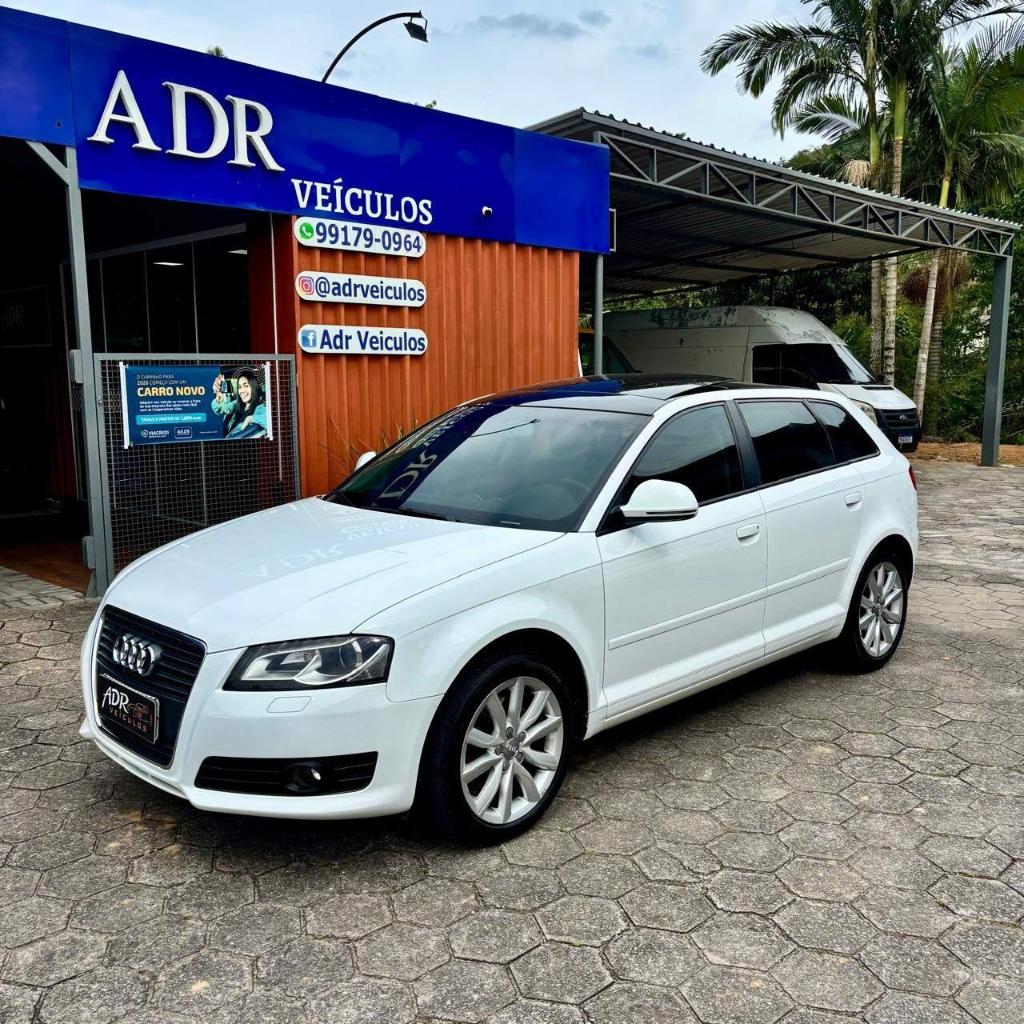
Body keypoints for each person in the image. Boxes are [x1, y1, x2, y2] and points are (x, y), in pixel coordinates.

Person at [211, 369, 267, 439]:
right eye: (239, 387)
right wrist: (219, 398)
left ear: (254, 387)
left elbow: (270, 419)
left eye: (246, 386)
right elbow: (220, 409)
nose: (242, 391)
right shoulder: (237, 403)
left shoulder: (260, 407)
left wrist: (251, 418)